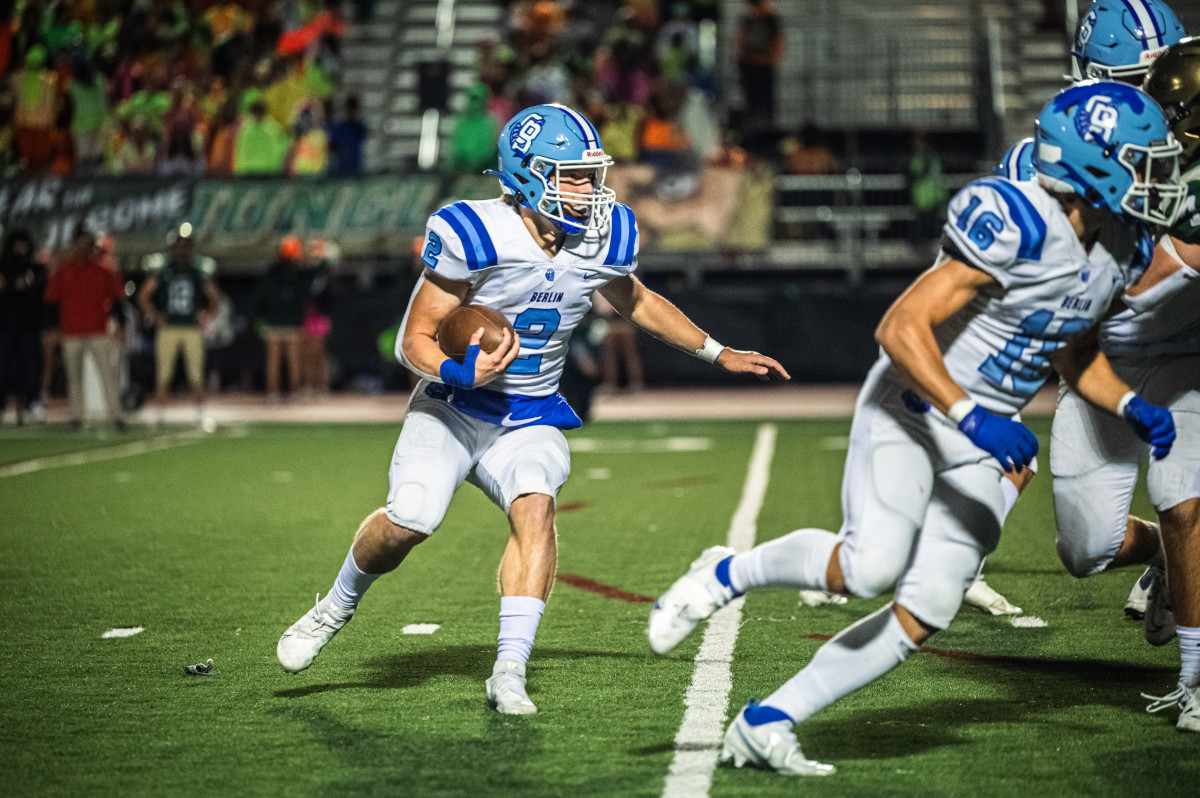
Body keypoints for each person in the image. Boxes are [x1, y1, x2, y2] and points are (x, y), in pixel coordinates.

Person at [647, 81, 1183, 773]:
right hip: (919, 404)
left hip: (990, 428)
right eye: (1142, 161)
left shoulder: (1120, 247)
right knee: (868, 567)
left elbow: (1073, 351)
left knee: (928, 604)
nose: (1157, 178)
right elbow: (899, 326)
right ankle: (726, 570)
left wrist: (1129, 405)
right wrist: (973, 416)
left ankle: (767, 721)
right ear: (1093, 165)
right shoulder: (1016, 216)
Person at [276, 103, 789, 714]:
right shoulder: (473, 231)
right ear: (524, 175)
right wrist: (453, 367)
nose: (589, 188)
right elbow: (412, 338)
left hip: (530, 410)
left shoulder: (606, 232)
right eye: (569, 175)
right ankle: (335, 605)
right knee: (410, 519)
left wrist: (717, 351)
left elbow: (638, 301)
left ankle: (510, 669)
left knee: (537, 505)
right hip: (453, 404)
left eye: (589, 173)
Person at [1054, 37, 1200, 732]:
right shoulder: (1098, 165)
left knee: (1182, 505)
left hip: (1184, 360)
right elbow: (1064, 334)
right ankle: (1171, 567)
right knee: (1087, 551)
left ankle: (1196, 677)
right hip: (1099, 363)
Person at [136, 224, 221, 425]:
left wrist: (207, 316)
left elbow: (214, 298)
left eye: (185, 245)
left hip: (191, 327)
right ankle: (160, 413)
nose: (181, 250)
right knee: (164, 372)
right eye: (179, 245)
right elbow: (143, 296)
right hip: (169, 327)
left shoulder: (199, 271)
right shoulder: (164, 270)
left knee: (196, 373)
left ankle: (200, 412)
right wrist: (154, 315)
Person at [44, 229, 128, 430]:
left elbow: (117, 299)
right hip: (71, 331)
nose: (82, 250)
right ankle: (76, 417)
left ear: (92, 249)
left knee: (107, 375)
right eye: (79, 245)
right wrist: (53, 329)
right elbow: (50, 303)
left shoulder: (102, 271)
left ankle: (116, 416)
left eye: (86, 246)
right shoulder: (64, 271)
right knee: (74, 378)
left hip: (97, 331)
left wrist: (121, 325)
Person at [254, 236, 310, 400]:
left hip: (286, 321)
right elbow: (262, 297)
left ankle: (283, 392)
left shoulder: (295, 274)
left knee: (286, 360)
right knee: (279, 360)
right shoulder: (275, 274)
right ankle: (277, 392)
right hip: (278, 321)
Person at [0, 229, 47, 424]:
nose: (20, 249)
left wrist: (14, 286)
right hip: (4, 326)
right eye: (16, 245)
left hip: (29, 327)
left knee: (31, 367)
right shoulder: (3, 266)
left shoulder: (36, 268)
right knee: (2, 367)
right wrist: (15, 285)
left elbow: (37, 285)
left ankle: (33, 403)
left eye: (23, 245)